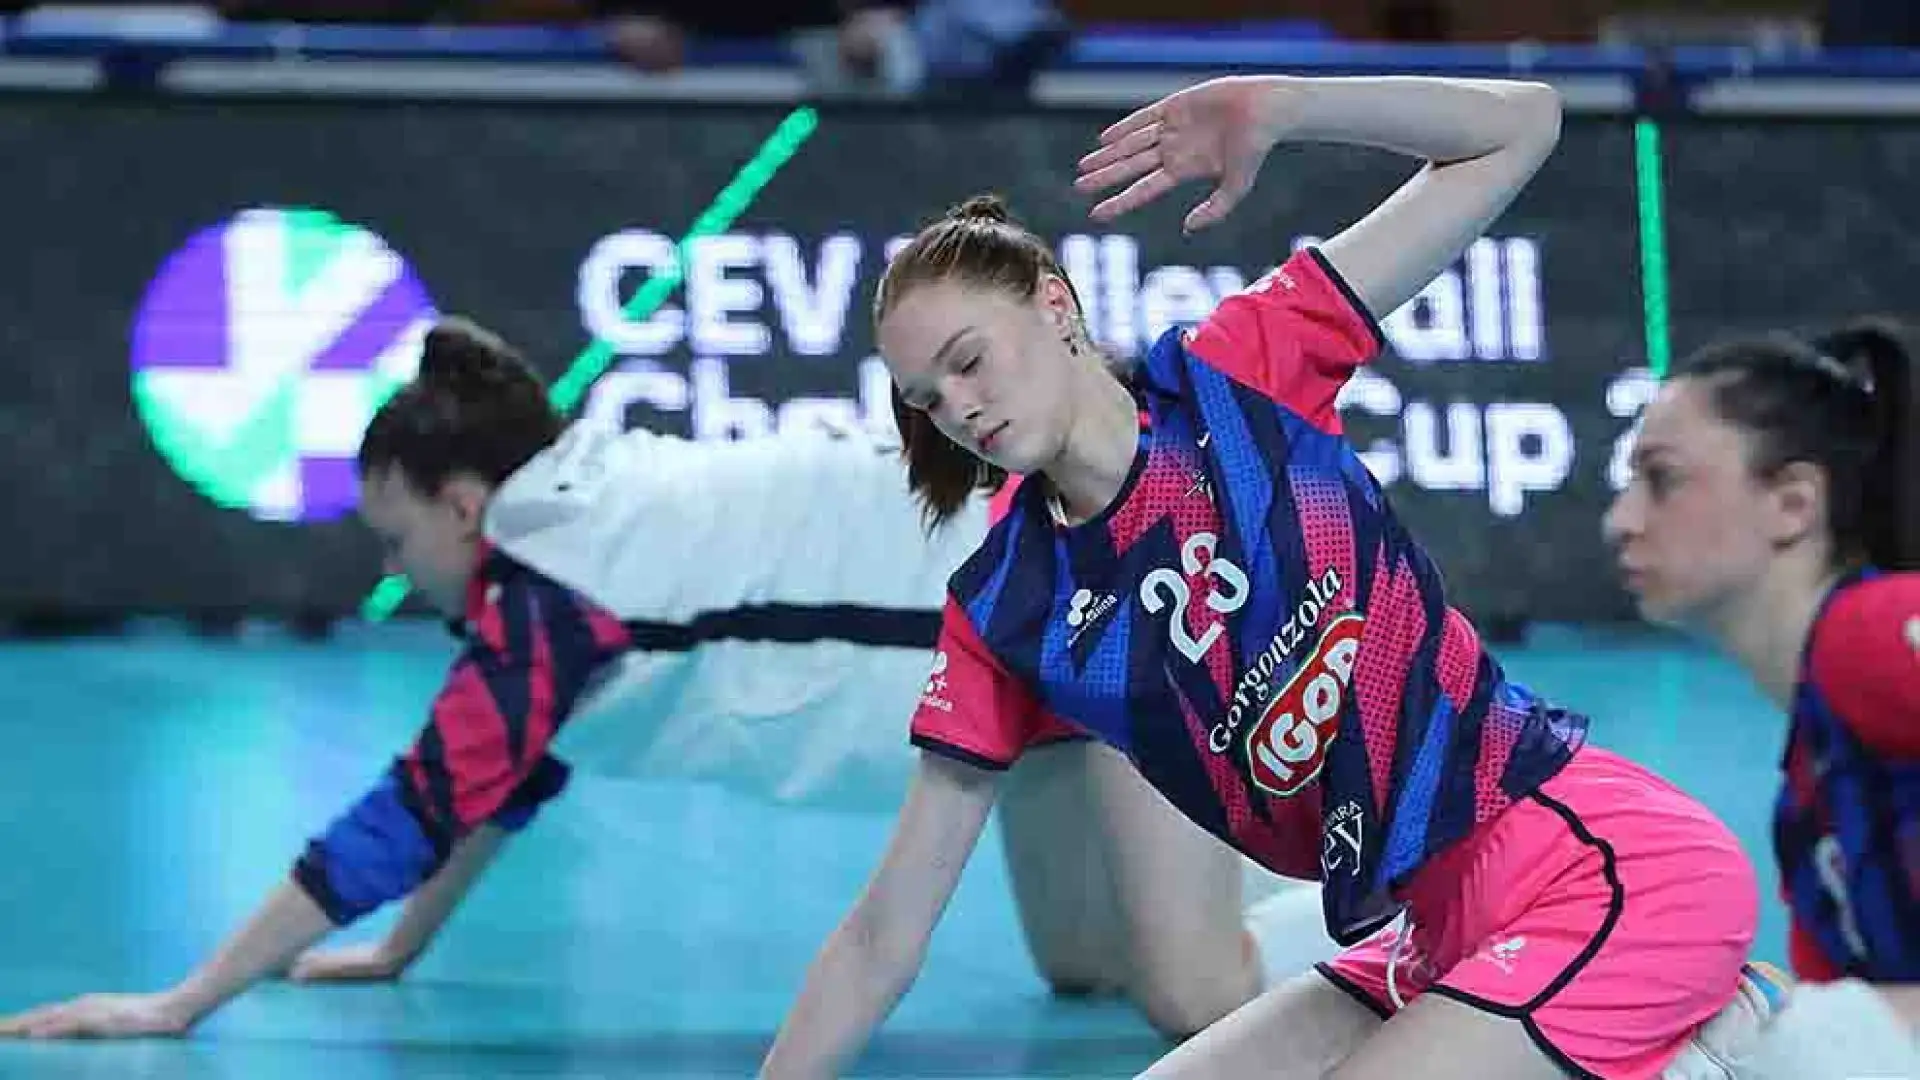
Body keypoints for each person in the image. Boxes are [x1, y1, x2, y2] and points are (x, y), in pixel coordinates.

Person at [759, 73, 1768, 1080]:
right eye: (928, 399)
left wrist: (1288, 108)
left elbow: (1522, 127)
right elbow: (884, 935)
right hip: (1428, 940)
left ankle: (1730, 1046)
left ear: (1053, 305)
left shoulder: (1239, 375)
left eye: (970, 360)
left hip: (1596, 869)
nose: (961, 408)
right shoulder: (1010, 608)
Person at [0, 315, 1314, 1042]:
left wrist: (181, 1003)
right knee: (1085, 970)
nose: (394, 569)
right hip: (1040, 695)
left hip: (1111, 605)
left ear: (463, 508)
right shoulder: (574, 535)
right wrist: (400, 948)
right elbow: (501, 778)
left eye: (396, 540)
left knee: (1196, 1002)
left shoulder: (560, 590)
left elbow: (418, 808)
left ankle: (1403, 932)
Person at [1604, 319, 1920, 1078]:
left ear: (1793, 504)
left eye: (1662, 479)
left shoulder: (1869, 633)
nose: (1621, 521)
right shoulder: (1809, 812)